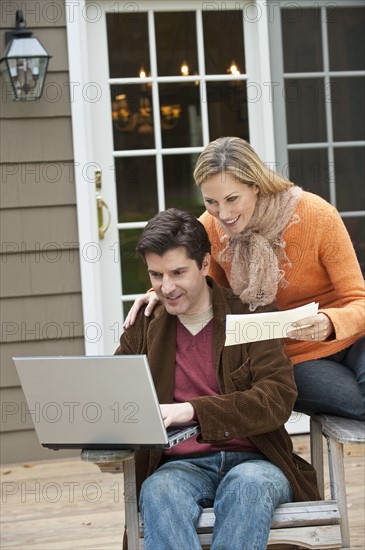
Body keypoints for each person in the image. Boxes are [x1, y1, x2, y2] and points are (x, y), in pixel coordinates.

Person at [116, 208, 320, 550]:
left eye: (178, 272)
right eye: (156, 275)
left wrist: (192, 411)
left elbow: (275, 399)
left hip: (257, 461)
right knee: (158, 490)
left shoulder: (252, 315)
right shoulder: (145, 324)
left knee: (248, 486)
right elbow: (117, 396)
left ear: (205, 264)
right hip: (179, 466)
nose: (166, 287)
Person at [124, 137, 365, 421]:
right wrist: (163, 289)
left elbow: (358, 299)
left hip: (353, 338)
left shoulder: (317, 216)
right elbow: (201, 285)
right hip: (290, 356)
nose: (223, 214)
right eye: (211, 201)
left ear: (256, 186)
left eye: (232, 199)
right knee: (357, 404)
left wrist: (329, 323)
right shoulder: (210, 229)